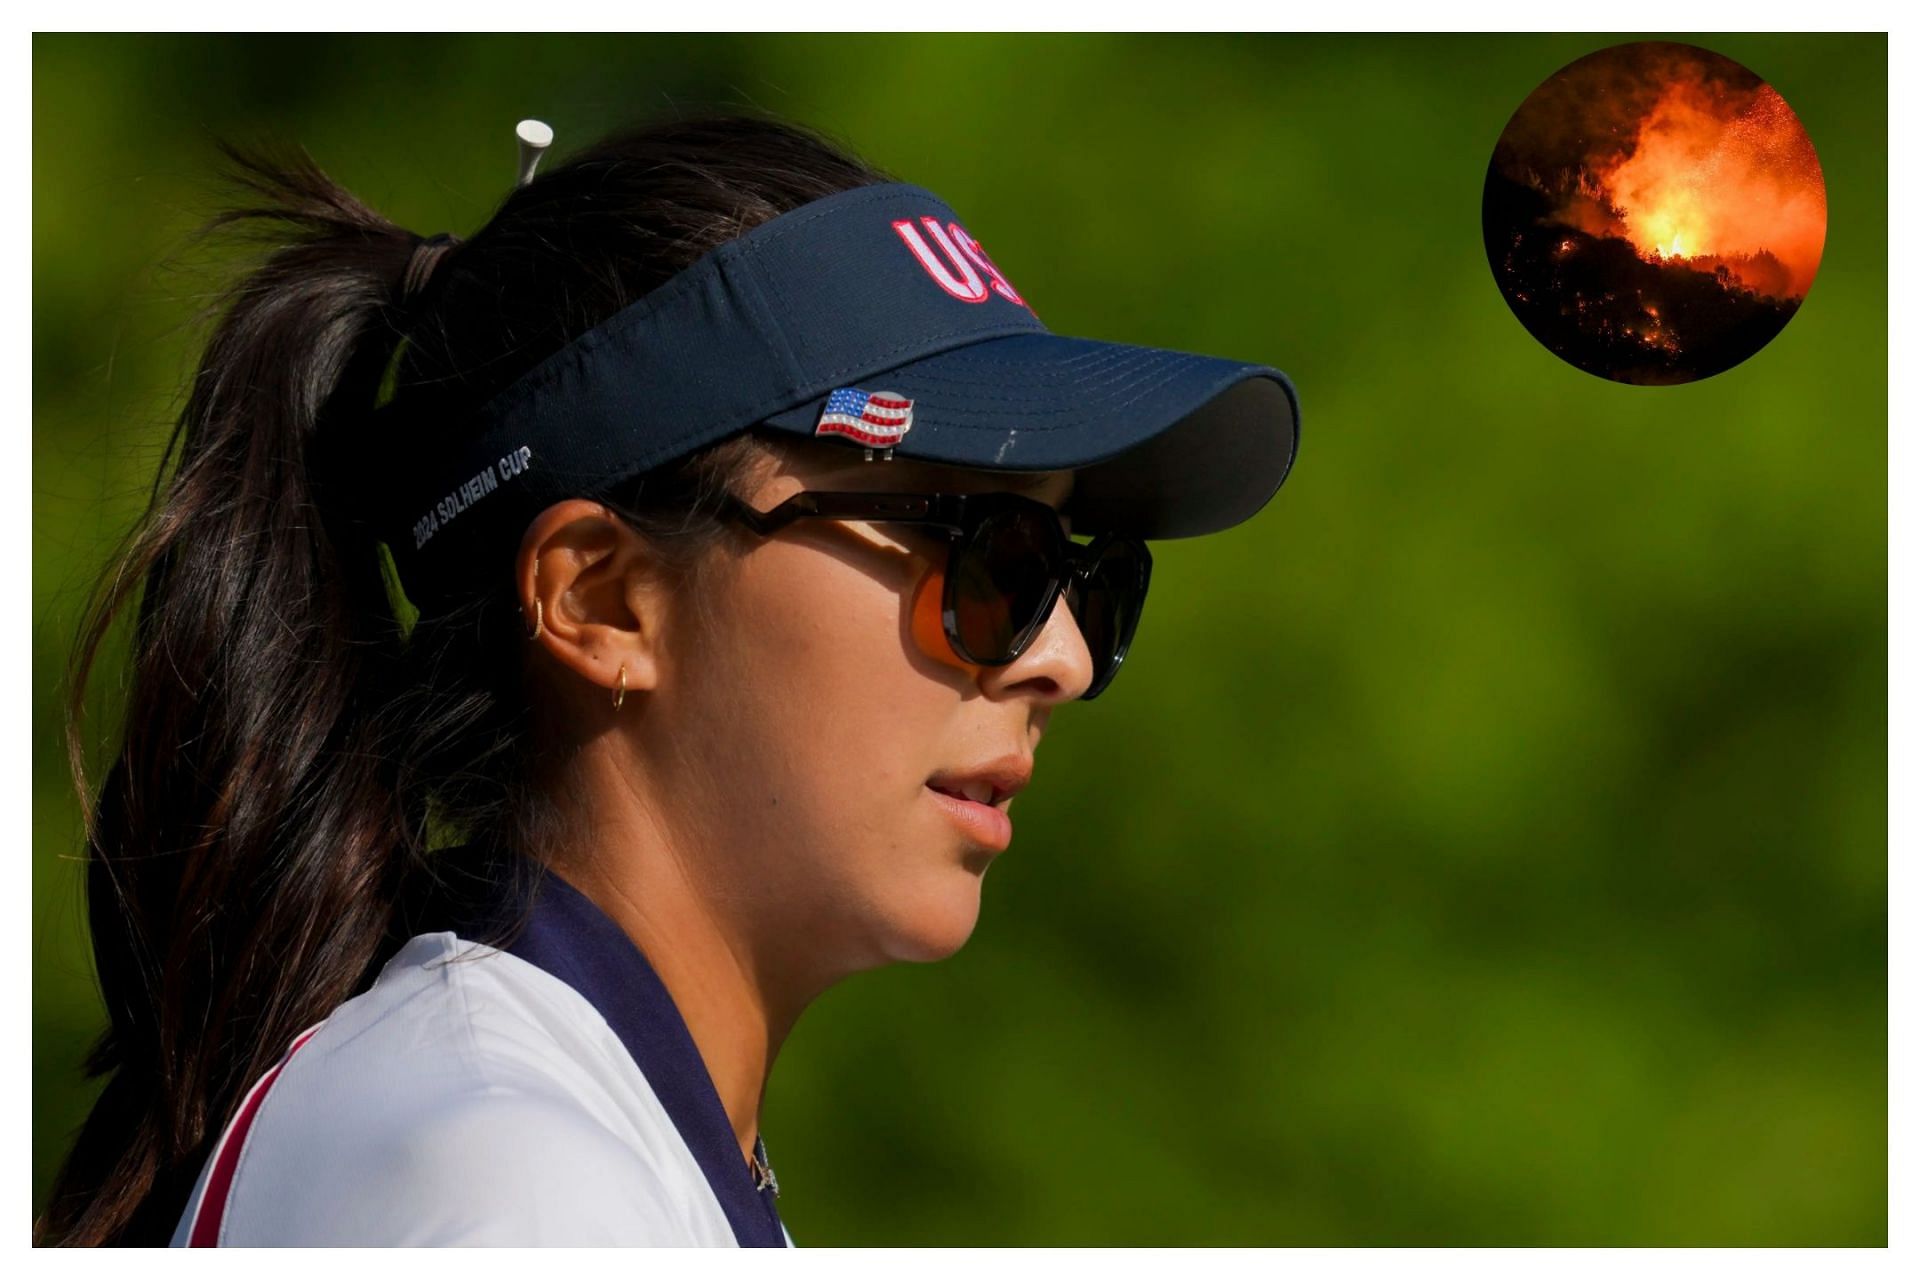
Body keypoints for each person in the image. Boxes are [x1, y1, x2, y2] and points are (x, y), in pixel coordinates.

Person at [37, 110, 1300, 1247]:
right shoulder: (512, 1181)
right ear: (601, 597)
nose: (1063, 655)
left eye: (1086, 575)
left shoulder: (549, 1128)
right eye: (981, 550)